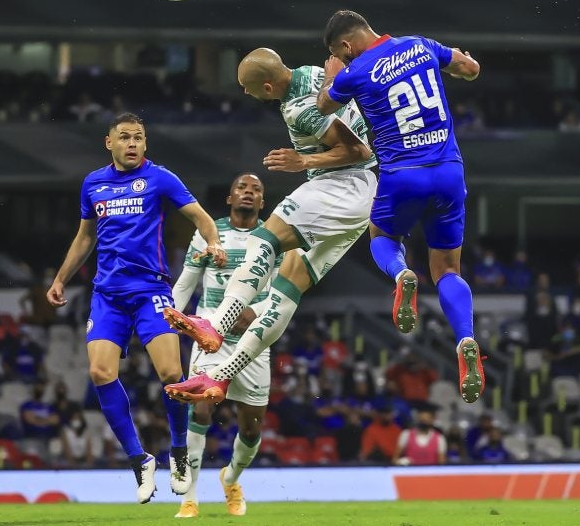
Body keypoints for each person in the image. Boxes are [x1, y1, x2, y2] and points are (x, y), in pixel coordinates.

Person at [162, 49, 375, 407]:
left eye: (248, 89)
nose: (247, 95)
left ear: (265, 85)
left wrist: (303, 160)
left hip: (340, 184)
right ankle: (220, 377)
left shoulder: (297, 110)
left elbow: (358, 150)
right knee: (284, 293)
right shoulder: (308, 73)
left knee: (264, 240)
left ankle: (216, 325)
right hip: (364, 196)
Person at [45, 112, 227, 504]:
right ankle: (139, 459)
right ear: (108, 142)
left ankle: (178, 451)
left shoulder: (160, 177)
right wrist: (60, 278)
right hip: (107, 294)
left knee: (171, 373)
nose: (132, 143)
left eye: (139, 137)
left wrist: (213, 242)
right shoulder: (93, 183)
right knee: (98, 371)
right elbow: (84, 237)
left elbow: (200, 217)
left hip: (149, 290)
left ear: (146, 144)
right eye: (124, 137)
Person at [315, 9, 485, 403]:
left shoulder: (353, 73)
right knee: (447, 269)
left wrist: (330, 77)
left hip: (402, 176)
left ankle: (401, 274)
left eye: (341, 54)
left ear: (344, 46)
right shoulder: (419, 44)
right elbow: (469, 68)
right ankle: (465, 338)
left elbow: (324, 106)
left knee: (382, 235)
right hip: (448, 173)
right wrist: (463, 59)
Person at [168, 173, 281, 518]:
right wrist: (166, 325)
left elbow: (281, 293)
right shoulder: (208, 235)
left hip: (253, 342)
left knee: (251, 427)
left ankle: (231, 478)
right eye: (241, 188)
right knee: (199, 409)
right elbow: (185, 286)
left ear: (262, 202)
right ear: (230, 198)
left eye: (256, 190)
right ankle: (190, 498)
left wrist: (256, 312)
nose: (248, 193)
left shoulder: (274, 239)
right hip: (210, 338)